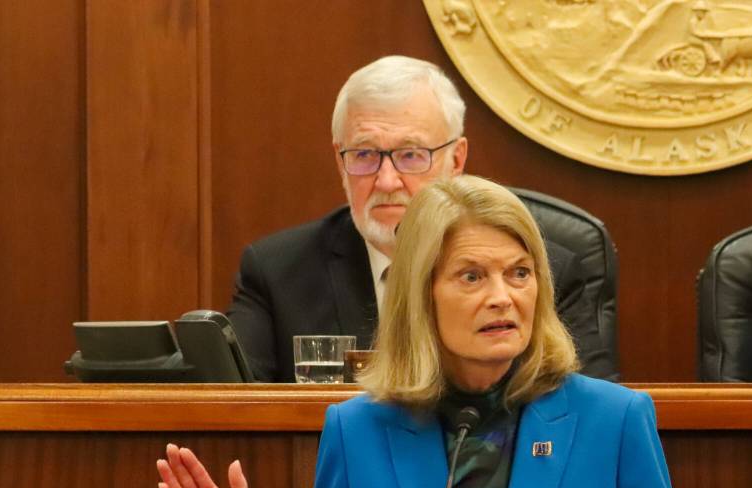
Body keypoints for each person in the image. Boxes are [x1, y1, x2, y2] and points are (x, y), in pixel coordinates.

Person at [157, 175, 702, 488]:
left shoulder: (612, 421)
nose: (503, 296)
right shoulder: (360, 433)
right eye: (472, 276)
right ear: (421, 295)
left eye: (520, 272)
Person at [227, 55, 618, 383]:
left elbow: (587, 415)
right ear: (339, 161)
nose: (386, 180)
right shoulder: (278, 272)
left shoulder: (546, 269)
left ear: (457, 160)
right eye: (364, 155)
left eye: (411, 155)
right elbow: (242, 417)